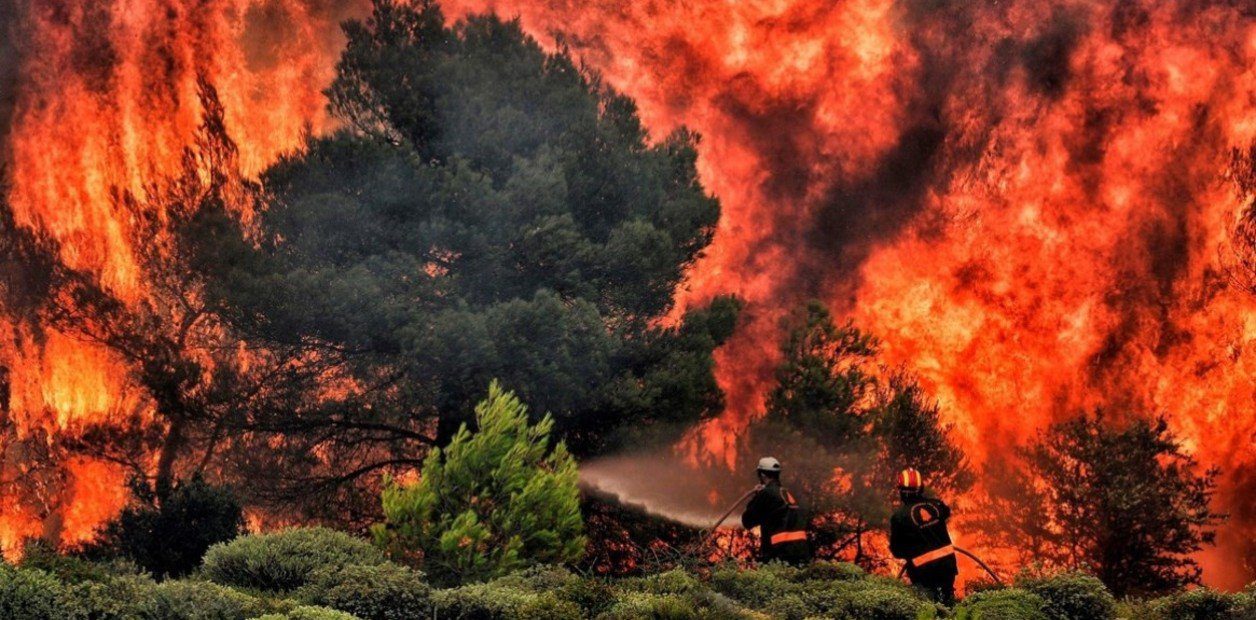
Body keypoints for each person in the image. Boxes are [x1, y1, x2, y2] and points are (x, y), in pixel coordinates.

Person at [889, 468, 958, 605]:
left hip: (923, 572)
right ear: (921, 488)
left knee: (927, 608)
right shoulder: (937, 505)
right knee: (948, 604)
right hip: (947, 566)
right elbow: (947, 512)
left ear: (901, 491)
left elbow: (897, 551)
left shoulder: (899, 517)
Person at [740, 456, 812, 565]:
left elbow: (747, 521)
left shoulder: (766, 494)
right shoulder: (786, 493)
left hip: (779, 554)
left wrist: (756, 496)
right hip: (800, 552)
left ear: (762, 475)